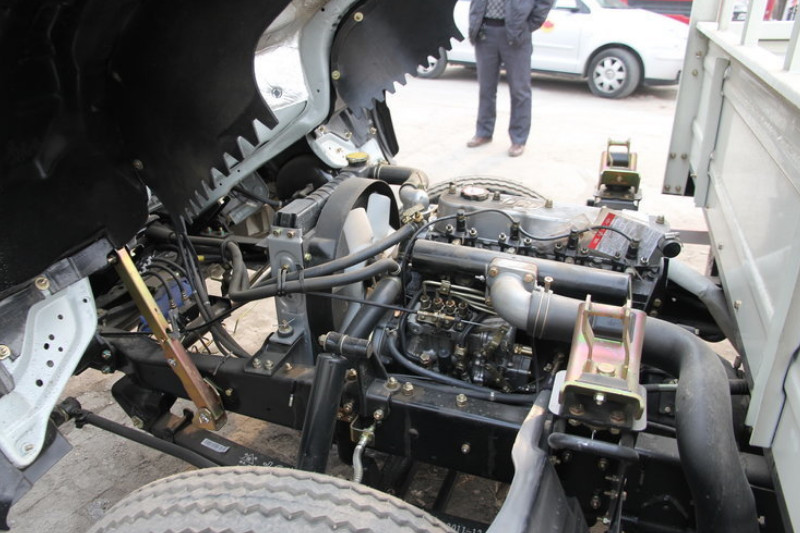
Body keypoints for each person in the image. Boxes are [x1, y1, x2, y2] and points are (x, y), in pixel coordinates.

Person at [466, 0, 555, 157]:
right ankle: (484, 132)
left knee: (519, 90)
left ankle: (518, 139)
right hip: (485, 31)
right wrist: (474, 21)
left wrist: (527, 25)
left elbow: (545, 2)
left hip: (516, 33)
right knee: (486, 88)